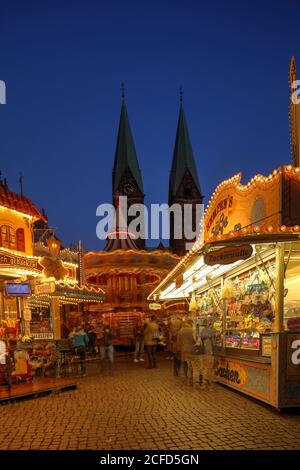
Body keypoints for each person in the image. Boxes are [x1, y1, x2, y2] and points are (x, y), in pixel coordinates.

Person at [198, 318, 216, 389]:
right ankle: (207, 384)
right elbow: (213, 343)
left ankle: (203, 383)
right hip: (208, 352)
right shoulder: (210, 331)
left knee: (204, 367)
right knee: (209, 368)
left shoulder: (202, 330)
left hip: (203, 352)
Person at [176, 318, 195, 383]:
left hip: (184, 349)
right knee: (191, 364)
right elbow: (195, 340)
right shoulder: (192, 330)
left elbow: (178, 342)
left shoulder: (180, 331)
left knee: (185, 363)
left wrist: (178, 349)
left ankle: (186, 376)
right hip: (192, 349)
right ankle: (191, 376)